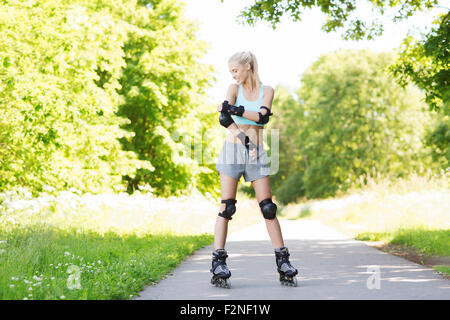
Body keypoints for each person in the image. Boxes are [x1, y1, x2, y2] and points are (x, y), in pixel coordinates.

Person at [210, 51, 298, 288]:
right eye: (231, 72)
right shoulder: (233, 88)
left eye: (235, 70)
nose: (233, 75)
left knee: (268, 208)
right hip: (233, 150)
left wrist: (236, 110)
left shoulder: (267, 91)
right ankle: (218, 261)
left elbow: (261, 118)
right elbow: (224, 120)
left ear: (248, 66)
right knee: (227, 206)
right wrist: (245, 139)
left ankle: (283, 262)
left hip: (257, 154)